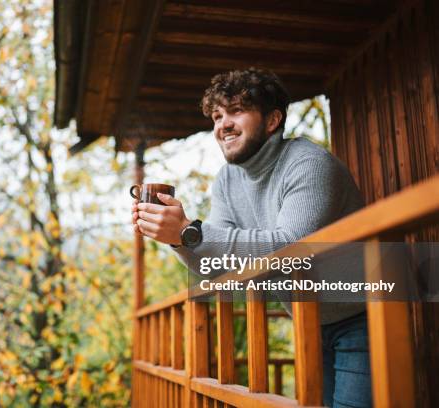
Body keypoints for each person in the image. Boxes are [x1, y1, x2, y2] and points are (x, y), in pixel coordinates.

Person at [131, 68, 372, 407]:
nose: (222, 124)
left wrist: (190, 232)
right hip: (308, 322)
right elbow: (216, 264)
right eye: (216, 115)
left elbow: (290, 247)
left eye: (236, 110)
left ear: (272, 120)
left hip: (364, 317)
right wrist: (178, 238)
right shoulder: (227, 180)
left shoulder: (309, 164)